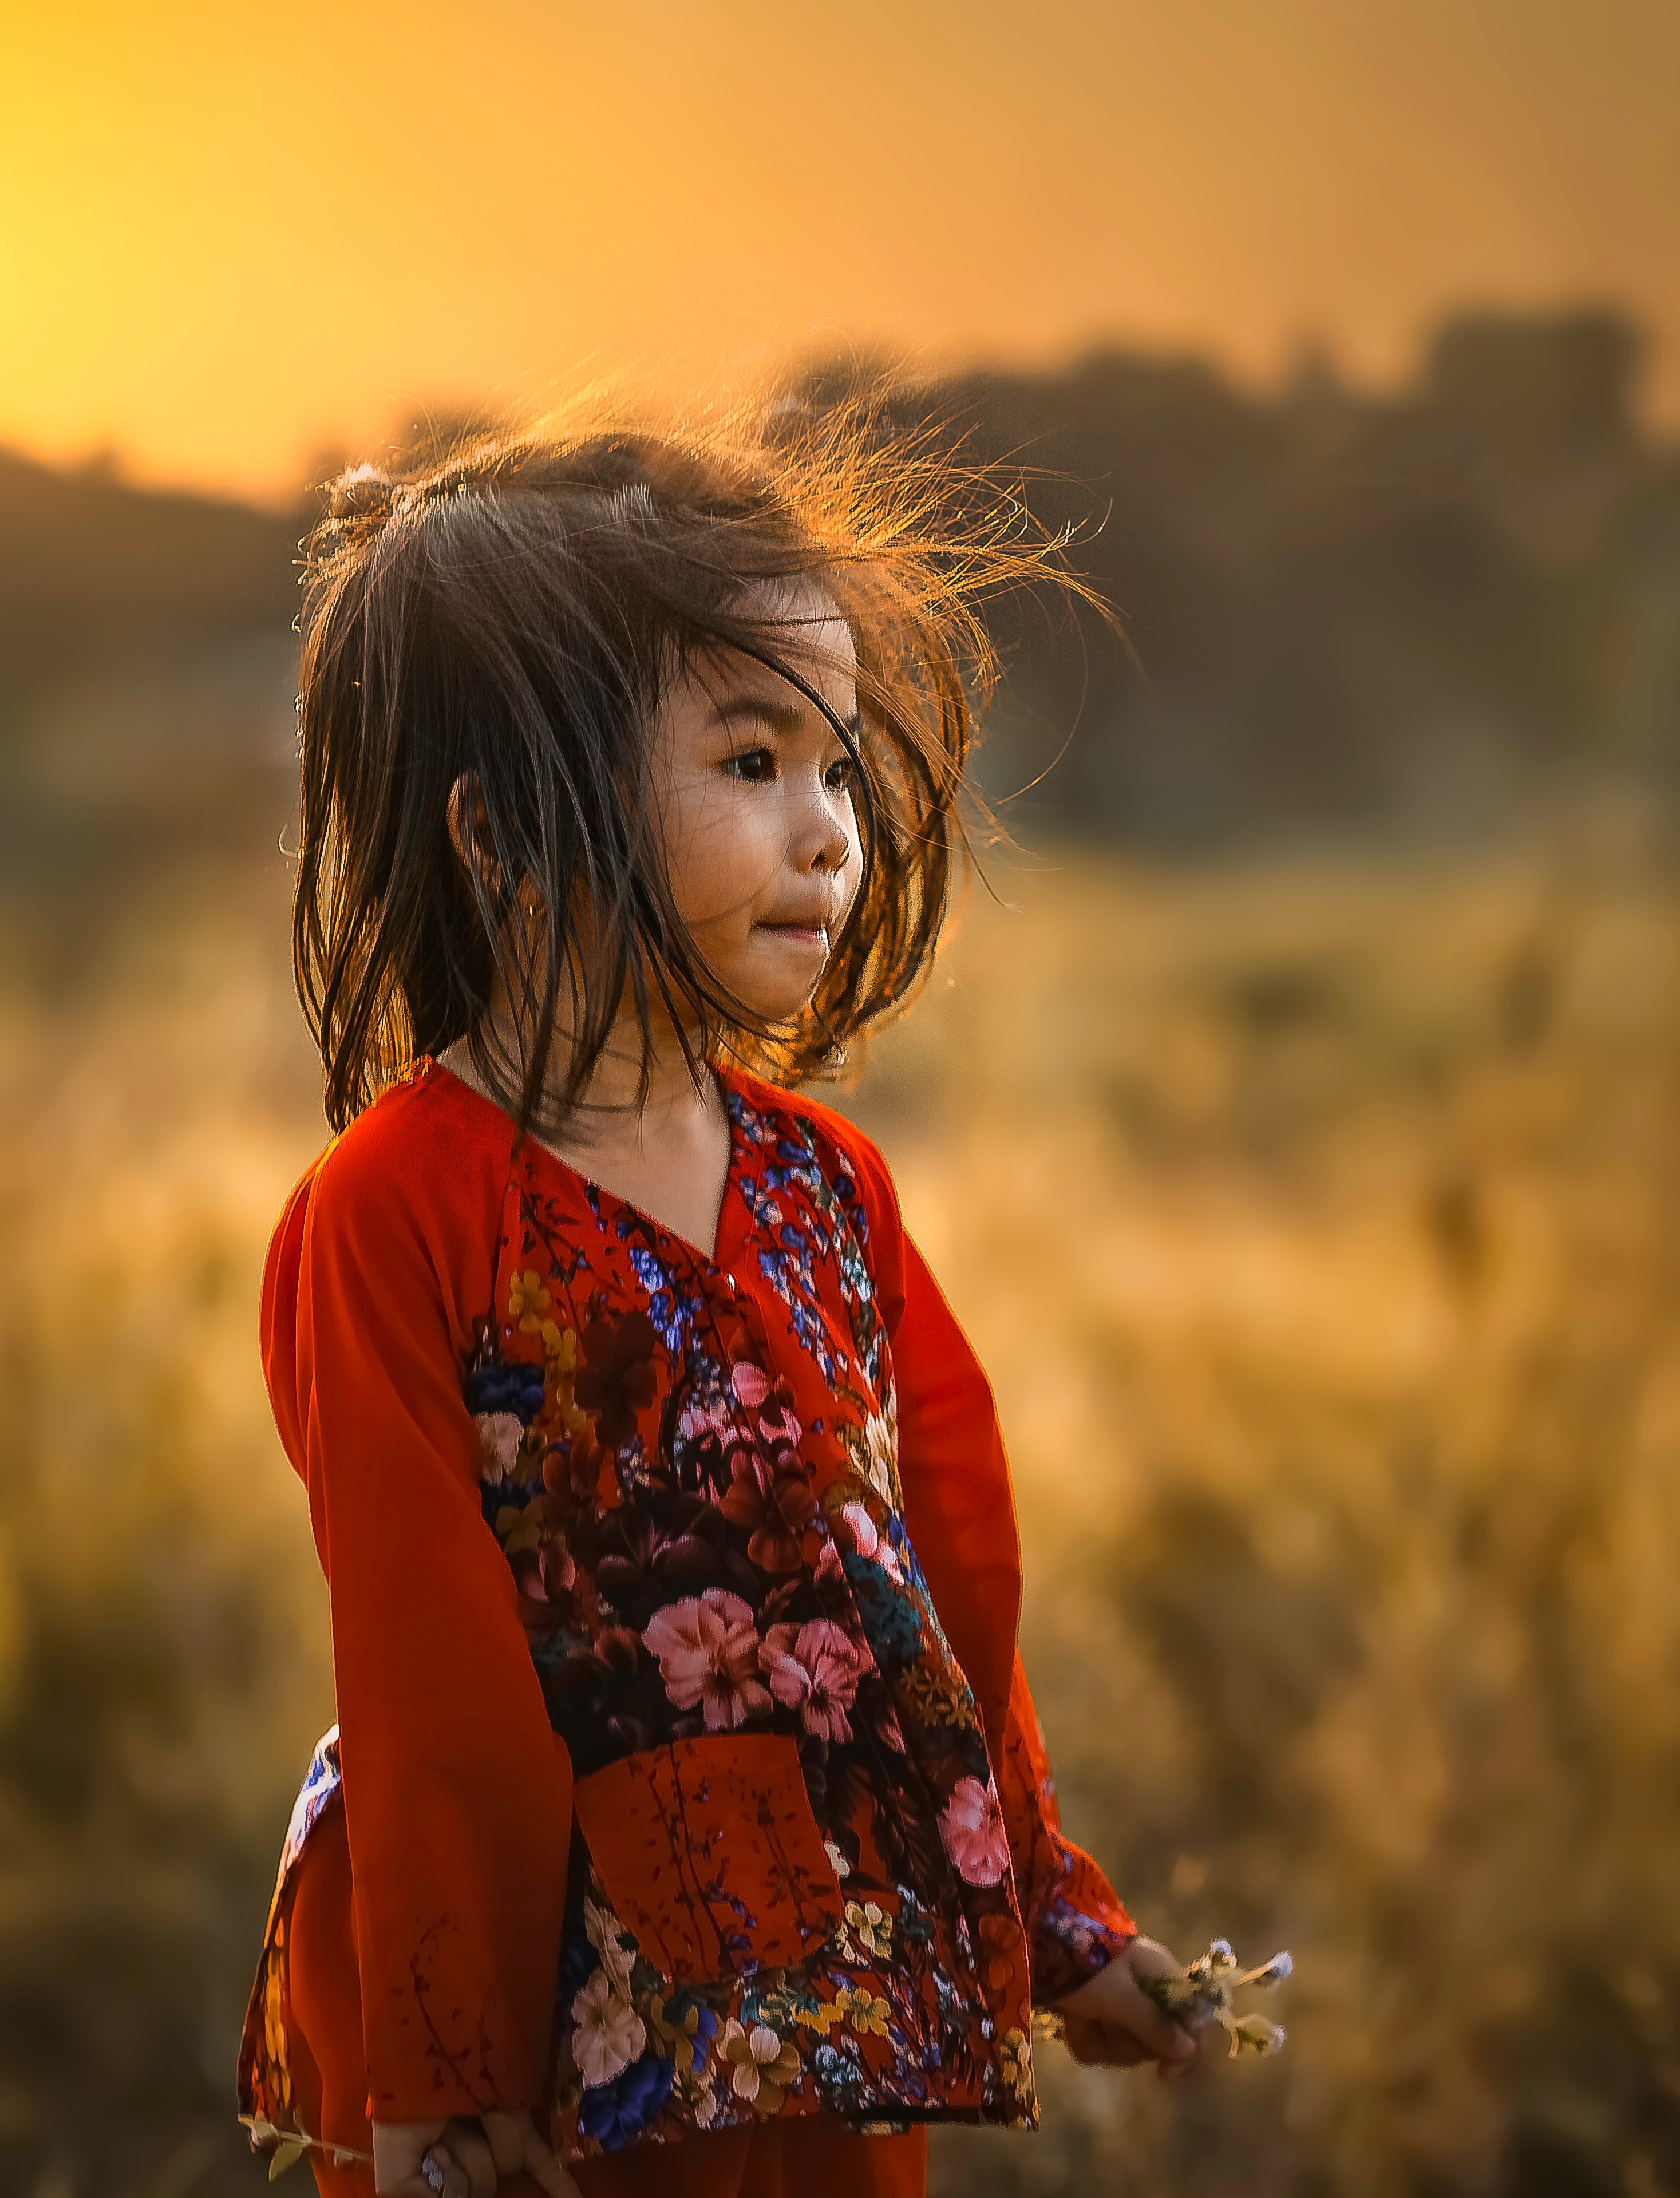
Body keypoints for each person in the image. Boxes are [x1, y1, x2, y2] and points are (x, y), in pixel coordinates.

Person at [233, 405, 1207, 2198]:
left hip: (825, 1993)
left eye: (835, 769)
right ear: (508, 834)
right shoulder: (397, 1212)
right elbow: (425, 1671)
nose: (830, 833)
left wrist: (1058, 1918)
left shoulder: (826, 1183)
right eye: (752, 763)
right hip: (557, 2051)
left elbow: (934, 1581)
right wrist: (444, 2080)